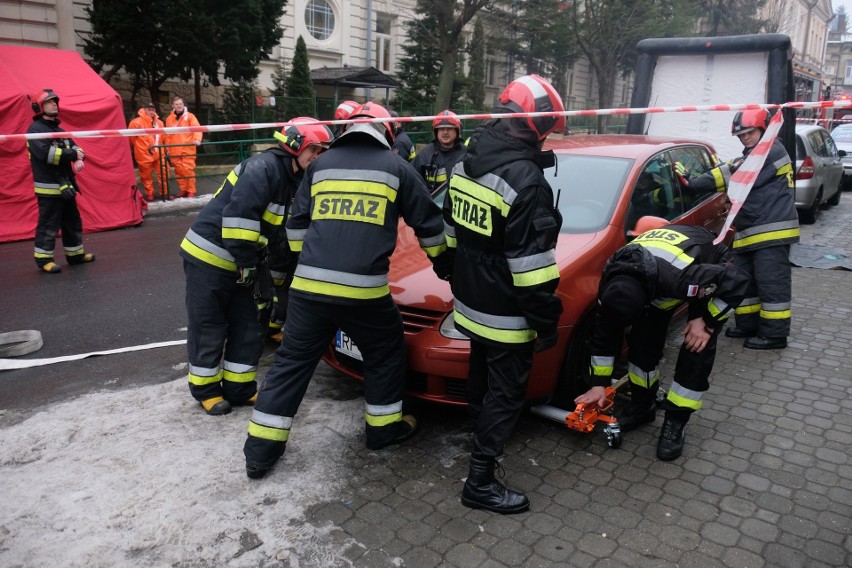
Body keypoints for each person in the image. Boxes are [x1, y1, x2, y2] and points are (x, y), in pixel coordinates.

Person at [243, 101, 453, 479]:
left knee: (291, 362)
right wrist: (447, 267)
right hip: (365, 295)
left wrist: (314, 261)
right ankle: (383, 429)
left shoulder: (321, 165)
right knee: (386, 351)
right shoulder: (397, 168)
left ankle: (260, 452)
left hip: (309, 289)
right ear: (388, 134)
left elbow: (296, 225)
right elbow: (430, 227)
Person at [442, 75, 565, 514]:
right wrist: (546, 319)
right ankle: (480, 481)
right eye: (546, 128)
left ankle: (478, 436)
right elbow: (531, 270)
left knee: (481, 377)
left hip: (470, 301)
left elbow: (451, 233)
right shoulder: (526, 179)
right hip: (507, 313)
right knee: (506, 392)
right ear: (533, 126)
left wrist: (454, 276)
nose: (547, 136)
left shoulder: (466, 162)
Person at [179, 118, 333, 416]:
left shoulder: (296, 179)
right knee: (209, 326)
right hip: (209, 257)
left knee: (249, 325)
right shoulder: (263, 169)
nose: (318, 156)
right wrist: (247, 263)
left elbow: (281, 231)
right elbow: (239, 220)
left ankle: (240, 387)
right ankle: (206, 390)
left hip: (243, 262)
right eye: (314, 149)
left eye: (322, 150)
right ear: (294, 144)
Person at [575, 222, 750, 461]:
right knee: (641, 341)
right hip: (661, 279)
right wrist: (598, 384)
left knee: (695, 346)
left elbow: (738, 279)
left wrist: (706, 322)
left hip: (709, 268)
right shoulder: (612, 283)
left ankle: (675, 422)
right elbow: (604, 335)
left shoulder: (679, 280)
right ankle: (643, 405)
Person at [686, 109, 799, 349]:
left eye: (750, 132)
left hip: (771, 232)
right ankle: (747, 325)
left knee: (772, 284)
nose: (745, 138)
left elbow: (733, 174)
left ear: (764, 129)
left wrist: (694, 183)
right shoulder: (755, 154)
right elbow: (732, 168)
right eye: (741, 135)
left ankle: (774, 335)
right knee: (745, 281)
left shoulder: (770, 152)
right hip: (750, 231)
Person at [26, 88, 95, 273]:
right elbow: (48, 155)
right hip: (49, 188)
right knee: (48, 224)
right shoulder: (35, 130)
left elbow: (77, 149)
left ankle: (75, 256)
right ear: (38, 106)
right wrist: (72, 154)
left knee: (72, 222)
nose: (54, 104)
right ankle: (44, 260)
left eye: (55, 101)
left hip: (67, 186)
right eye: (49, 102)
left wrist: (79, 156)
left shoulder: (60, 130)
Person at [412, 109, 467, 191]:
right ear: (436, 131)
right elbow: (412, 180)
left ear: (457, 130)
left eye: (449, 128)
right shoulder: (426, 153)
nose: (445, 132)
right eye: (441, 129)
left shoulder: (465, 153)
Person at [164, 97, 203, 198]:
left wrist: (197, 139)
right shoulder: (169, 119)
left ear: (183, 105)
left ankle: (191, 190)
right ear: (173, 106)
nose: (179, 106)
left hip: (187, 148)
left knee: (188, 170)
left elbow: (197, 129)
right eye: (177, 104)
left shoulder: (190, 116)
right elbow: (167, 135)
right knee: (178, 171)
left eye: (180, 104)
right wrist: (167, 149)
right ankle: (183, 189)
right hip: (174, 149)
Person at [128, 102, 165, 201]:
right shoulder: (136, 122)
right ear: (144, 110)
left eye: (153, 110)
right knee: (146, 175)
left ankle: (164, 193)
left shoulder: (160, 123)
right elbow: (131, 138)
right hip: (143, 153)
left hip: (159, 152)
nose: (151, 112)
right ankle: (150, 193)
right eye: (149, 109)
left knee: (163, 173)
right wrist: (140, 148)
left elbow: (163, 137)